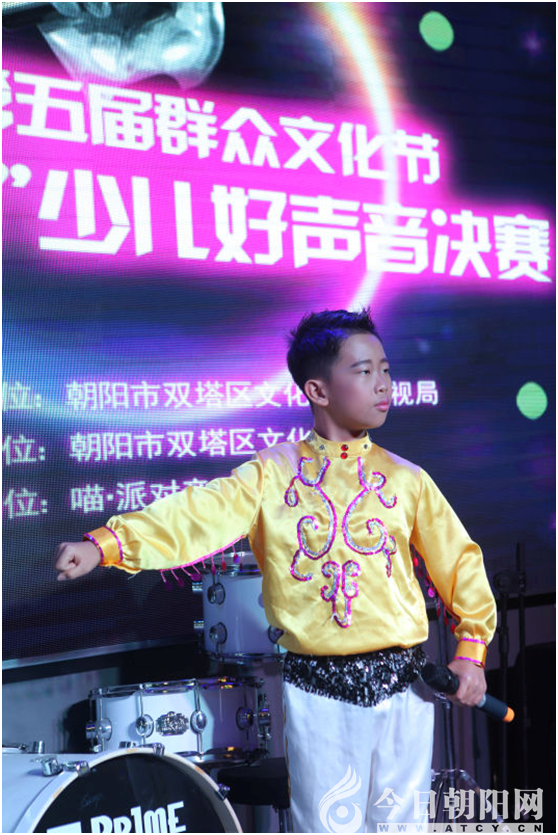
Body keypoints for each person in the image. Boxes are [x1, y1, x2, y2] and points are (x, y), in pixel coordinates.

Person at [55, 308, 496, 832]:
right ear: (317, 390)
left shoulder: (406, 479)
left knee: (402, 826)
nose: (383, 383)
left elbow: (460, 563)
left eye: (385, 369)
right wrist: (107, 543)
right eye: (363, 371)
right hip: (319, 693)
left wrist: (471, 653)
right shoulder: (272, 475)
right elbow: (196, 514)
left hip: (406, 687)